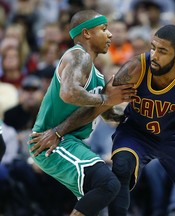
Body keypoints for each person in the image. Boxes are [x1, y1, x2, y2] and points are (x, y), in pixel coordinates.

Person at [29, 25, 175, 216]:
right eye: (153, 47)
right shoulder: (135, 67)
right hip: (136, 131)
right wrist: (59, 131)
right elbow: (102, 101)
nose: (154, 55)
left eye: (162, 51)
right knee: (121, 168)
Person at [27, 10, 136, 216]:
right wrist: (106, 98)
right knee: (108, 184)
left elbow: (103, 113)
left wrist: (131, 113)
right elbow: (69, 93)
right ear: (86, 33)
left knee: (111, 190)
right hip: (51, 140)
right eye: (104, 29)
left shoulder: (98, 76)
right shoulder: (78, 55)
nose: (110, 34)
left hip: (70, 141)